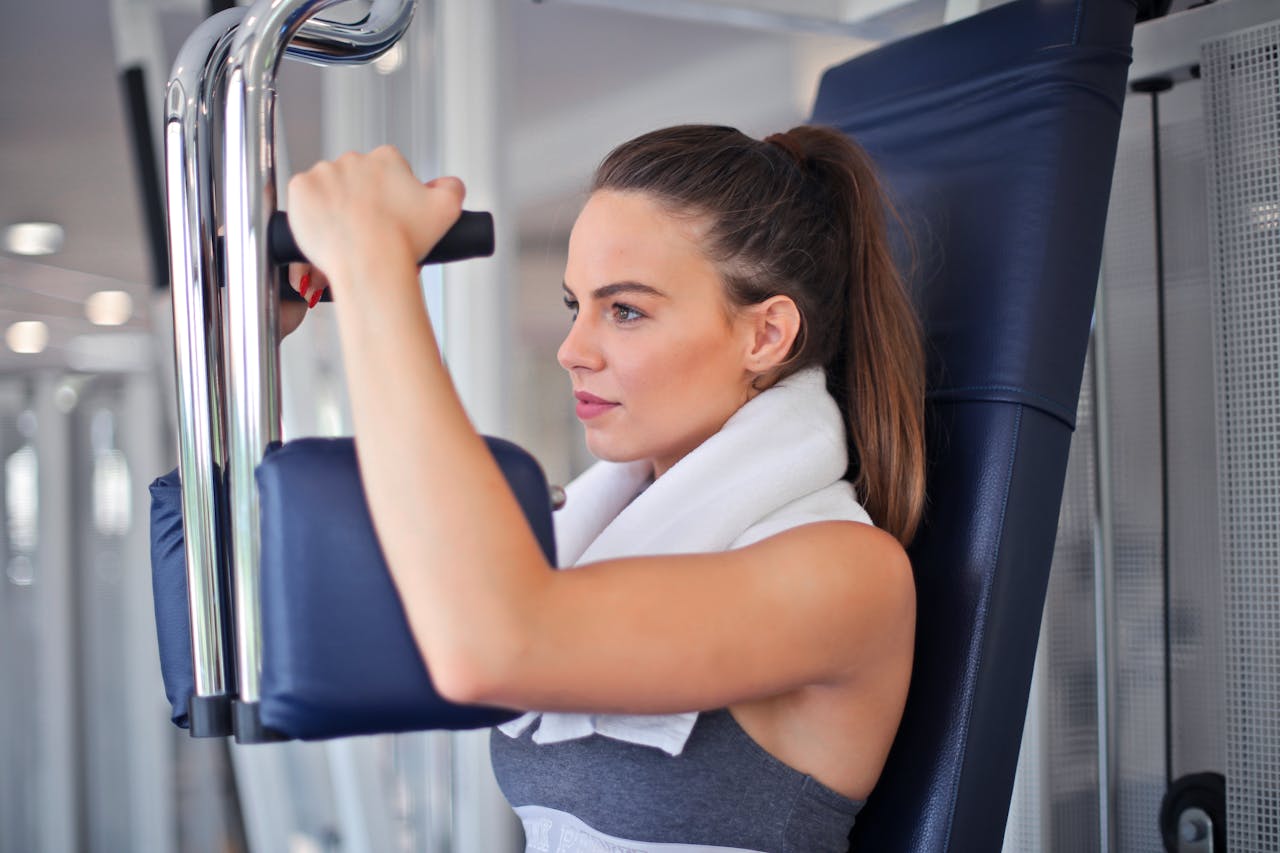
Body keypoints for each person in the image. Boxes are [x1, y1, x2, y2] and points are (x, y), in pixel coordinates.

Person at [282, 123, 925, 852]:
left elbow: (492, 646)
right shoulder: (587, 543)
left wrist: (375, 272)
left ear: (766, 335)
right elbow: (338, 608)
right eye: (574, 305)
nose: (572, 350)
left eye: (625, 310)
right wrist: (255, 339)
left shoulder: (846, 574)